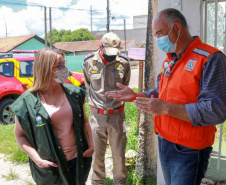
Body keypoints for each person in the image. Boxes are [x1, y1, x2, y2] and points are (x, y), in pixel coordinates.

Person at [106, 8, 226, 185]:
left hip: (189, 149)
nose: (157, 40)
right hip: (165, 140)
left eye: (159, 33)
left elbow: (216, 110)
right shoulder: (170, 60)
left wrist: (166, 108)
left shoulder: (210, 58)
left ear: (177, 28)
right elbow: (161, 92)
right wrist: (135, 95)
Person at [12, 48, 94, 185]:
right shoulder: (25, 103)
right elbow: (20, 135)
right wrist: (37, 159)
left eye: (64, 64)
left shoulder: (75, 94)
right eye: (59, 65)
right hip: (51, 166)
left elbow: (84, 122)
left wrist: (91, 145)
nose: (64, 68)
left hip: (77, 160)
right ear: (45, 69)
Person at [83, 32, 131, 185]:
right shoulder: (89, 62)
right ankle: (97, 182)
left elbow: (126, 84)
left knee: (119, 155)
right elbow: (88, 85)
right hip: (96, 116)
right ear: (101, 47)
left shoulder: (123, 62)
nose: (112, 55)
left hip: (117, 115)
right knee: (97, 155)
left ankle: (120, 182)